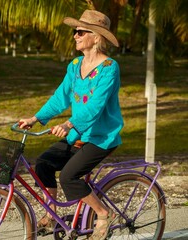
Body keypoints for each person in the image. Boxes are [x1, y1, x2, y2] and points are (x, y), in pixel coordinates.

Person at [18, 10, 124, 240]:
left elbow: (95, 107)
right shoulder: (75, 65)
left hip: (101, 137)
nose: (75, 36)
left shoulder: (109, 68)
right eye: (74, 31)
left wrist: (68, 124)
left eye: (80, 31)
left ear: (96, 37)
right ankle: (52, 215)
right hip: (77, 134)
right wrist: (35, 118)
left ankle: (104, 214)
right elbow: (61, 97)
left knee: (68, 177)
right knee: (44, 164)